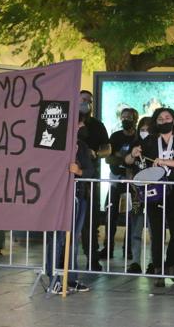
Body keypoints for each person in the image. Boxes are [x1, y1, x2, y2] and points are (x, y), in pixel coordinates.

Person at [125, 108, 174, 287]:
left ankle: (172, 265)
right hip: (155, 193)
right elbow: (128, 161)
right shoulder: (150, 141)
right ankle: (159, 271)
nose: (164, 121)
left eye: (168, 117)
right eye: (160, 119)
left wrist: (165, 162)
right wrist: (133, 153)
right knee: (157, 232)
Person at [47, 127, 95, 293]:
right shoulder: (52, 141)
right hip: (59, 197)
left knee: (73, 239)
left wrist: (79, 171)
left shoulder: (81, 146)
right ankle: (54, 279)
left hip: (79, 195)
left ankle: (71, 278)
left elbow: (91, 170)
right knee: (58, 238)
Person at [78, 90, 110, 271]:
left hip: (90, 177)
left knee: (90, 220)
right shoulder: (67, 121)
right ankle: (61, 258)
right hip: (69, 177)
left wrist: (96, 153)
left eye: (89, 101)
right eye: (82, 100)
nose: (86, 104)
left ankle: (92, 257)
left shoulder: (97, 125)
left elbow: (107, 147)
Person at [100, 108, 139, 259]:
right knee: (111, 215)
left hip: (133, 182)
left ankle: (128, 249)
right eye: (123, 117)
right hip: (116, 180)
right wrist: (126, 159)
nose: (125, 120)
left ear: (135, 119)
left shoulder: (137, 138)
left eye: (128, 117)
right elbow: (108, 158)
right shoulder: (115, 136)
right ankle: (107, 248)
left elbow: (137, 160)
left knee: (131, 216)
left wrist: (120, 156)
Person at [126, 117, 152, 274]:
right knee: (136, 228)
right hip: (137, 192)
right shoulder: (135, 143)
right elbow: (128, 162)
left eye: (148, 129)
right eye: (142, 129)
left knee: (154, 229)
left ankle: (154, 262)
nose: (144, 132)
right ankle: (135, 261)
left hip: (154, 192)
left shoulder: (156, 144)